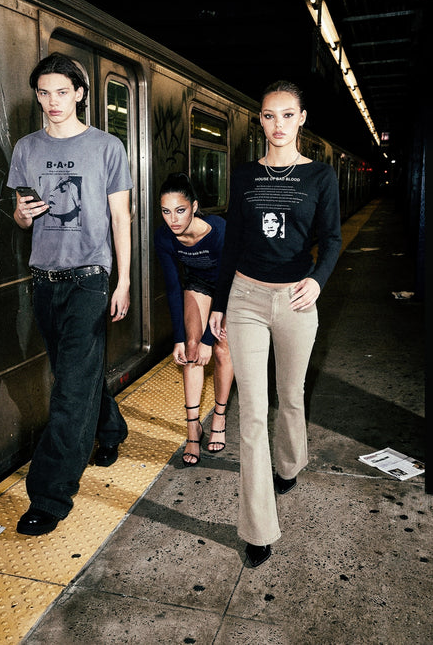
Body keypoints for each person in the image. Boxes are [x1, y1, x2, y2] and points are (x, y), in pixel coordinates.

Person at [210, 81, 341, 567]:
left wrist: (318, 282)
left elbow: (332, 239)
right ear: (260, 120)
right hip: (246, 296)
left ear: (302, 119)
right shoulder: (245, 175)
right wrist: (220, 302)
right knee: (251, 412)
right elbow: (233, 242)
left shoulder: (320, 176)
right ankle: (258, 528)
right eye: (269, 116)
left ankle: (289, 462)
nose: (278, 124)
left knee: (290, 394)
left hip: (296, 300)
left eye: (287, 115)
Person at [7, 52, 133, 535]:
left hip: (89, 279)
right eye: (44, 93)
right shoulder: (26, 148)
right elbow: (20, 216)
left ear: (80, 93)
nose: (53, 101)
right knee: (73, 376)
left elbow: (120, 218)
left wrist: (122, 280)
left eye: (62, 92)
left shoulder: (107, 147)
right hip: (44, 278)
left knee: (69, 390)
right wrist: (24, 214)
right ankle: (110, 428)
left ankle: (49, 496)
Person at [155, 172, 234, 466]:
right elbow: (173, 287)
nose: (173, 219)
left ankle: (219, 417)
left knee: (221, 349)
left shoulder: (220, 231)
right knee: (191, 349)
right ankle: (193, 429)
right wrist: (179, 337)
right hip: (197, 283)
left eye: (180, 210)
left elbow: (227, 281)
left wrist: (209, 339)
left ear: (194, 206)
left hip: (229, 288)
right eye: (166, 211)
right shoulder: (164, 236)